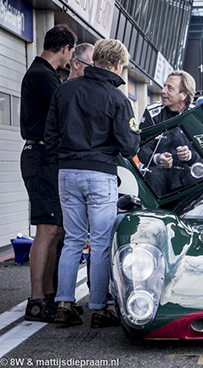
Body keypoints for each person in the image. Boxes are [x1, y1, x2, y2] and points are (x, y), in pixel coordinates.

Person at [45, 38, 140, 327]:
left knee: (73, 239)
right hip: (100, 173)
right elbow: (129, 146)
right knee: (99, 243)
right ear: (117, 64)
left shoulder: (65, 90)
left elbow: (50, 136)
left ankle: (63, 304)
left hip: (67, 172)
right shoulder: (117, 98)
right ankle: (99, 309)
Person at [20, 23, 77, 323]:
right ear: (66, 49)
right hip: (40, 156)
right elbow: (65, 110)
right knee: (46, 228)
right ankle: (36, 299)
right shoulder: (43, 75)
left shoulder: (42, 73)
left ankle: (48, 294)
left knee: (55, 229)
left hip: (43, 156)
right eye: (71, 54)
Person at [137, 70, 201, 195]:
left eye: (169, 88)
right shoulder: (152, 112)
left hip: (187, 179)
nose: (163, 91)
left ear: (183, 95)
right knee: (153, 174)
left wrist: (190, 156)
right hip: (156, 179)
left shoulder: (197, 116)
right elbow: (141, 147)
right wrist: (157, 158)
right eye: (164, 86)